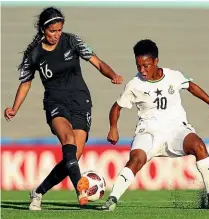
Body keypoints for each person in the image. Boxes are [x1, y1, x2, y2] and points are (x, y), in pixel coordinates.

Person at [4, 7, 123, 211]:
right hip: (55, 103)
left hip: (80, 102)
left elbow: (97, 62)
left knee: (72, 158)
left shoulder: (72, 41)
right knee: (67, 140)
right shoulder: (34, 54)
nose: (56, 35)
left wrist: (112, 75)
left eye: (59, 30)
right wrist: (15, 108)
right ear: (43, 30)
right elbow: (25, 83)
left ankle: (38, 192)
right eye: (52, 31)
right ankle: (81, 189)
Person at [99, 39, 209, 211]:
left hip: (176, 130)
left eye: (146, 65)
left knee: (199, 145)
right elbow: (116, 107)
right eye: (138, 66)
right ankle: (112, 200)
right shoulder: (134, 85)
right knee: (136, 159)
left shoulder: (173, 76)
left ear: (155, 61)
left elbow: (191, 87)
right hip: (149, 131)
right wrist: (113, 128)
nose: (142, 70)